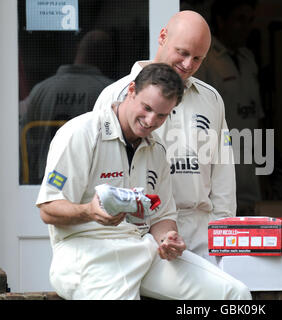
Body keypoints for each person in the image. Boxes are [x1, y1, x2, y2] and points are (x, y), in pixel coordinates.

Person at [37, 63, 251, 300]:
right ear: (131, 90)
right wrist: (90, 211)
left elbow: (162, 217)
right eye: (146, 108)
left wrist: (168, 239)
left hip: (141, 248)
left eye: (161, 115)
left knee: (235, 294)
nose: (150, 121)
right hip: (85, 253)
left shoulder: (156, 148)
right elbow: (48, 209)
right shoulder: (81, 132)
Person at [94, 10, 236, 263]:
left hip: (200, 231)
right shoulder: (115, 95)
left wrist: (222, 231)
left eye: (198, 58)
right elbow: (101, 171)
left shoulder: (211, 98)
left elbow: (223, 172)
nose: (188, 64)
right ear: (162, 37)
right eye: (182, 53)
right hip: (137, 233)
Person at [195, 0, 265, 215]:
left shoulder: (248, 58)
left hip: (250, 155)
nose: (246, 26)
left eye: (249, 20)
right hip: (220, 155)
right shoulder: (205, 61)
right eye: (239, 19)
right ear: (221, 21)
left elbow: (258, 115)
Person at [20, 30, 114, 184]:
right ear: (108, 56)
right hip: (88, 181)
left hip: (44, 179)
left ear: (78, 48)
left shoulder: (42, 90)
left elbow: (26, 144)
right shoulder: (107, 91)